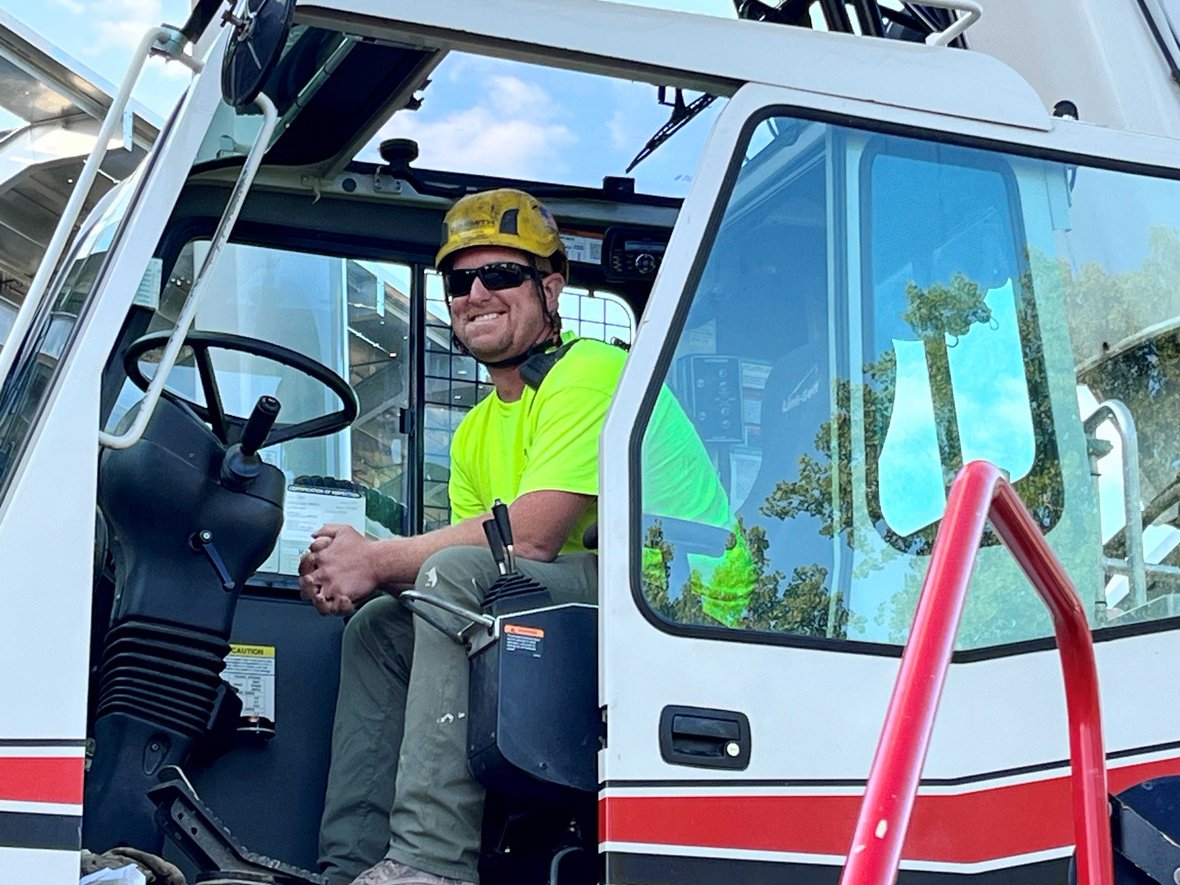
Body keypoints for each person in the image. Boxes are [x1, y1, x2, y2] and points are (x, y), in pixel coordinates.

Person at [300, 188, 739, 885]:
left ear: (551, 287)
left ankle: (430, 864)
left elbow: (528, 540)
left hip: (685, 600)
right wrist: (361, 570)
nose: (476, 293)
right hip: (602, 600)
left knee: (451, 581)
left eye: (501, 274)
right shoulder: (477, 431)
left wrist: (374, 557)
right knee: (384, 626)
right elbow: (480, 553)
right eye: (459, 281)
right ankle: (350, 865)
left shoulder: (588, 371)